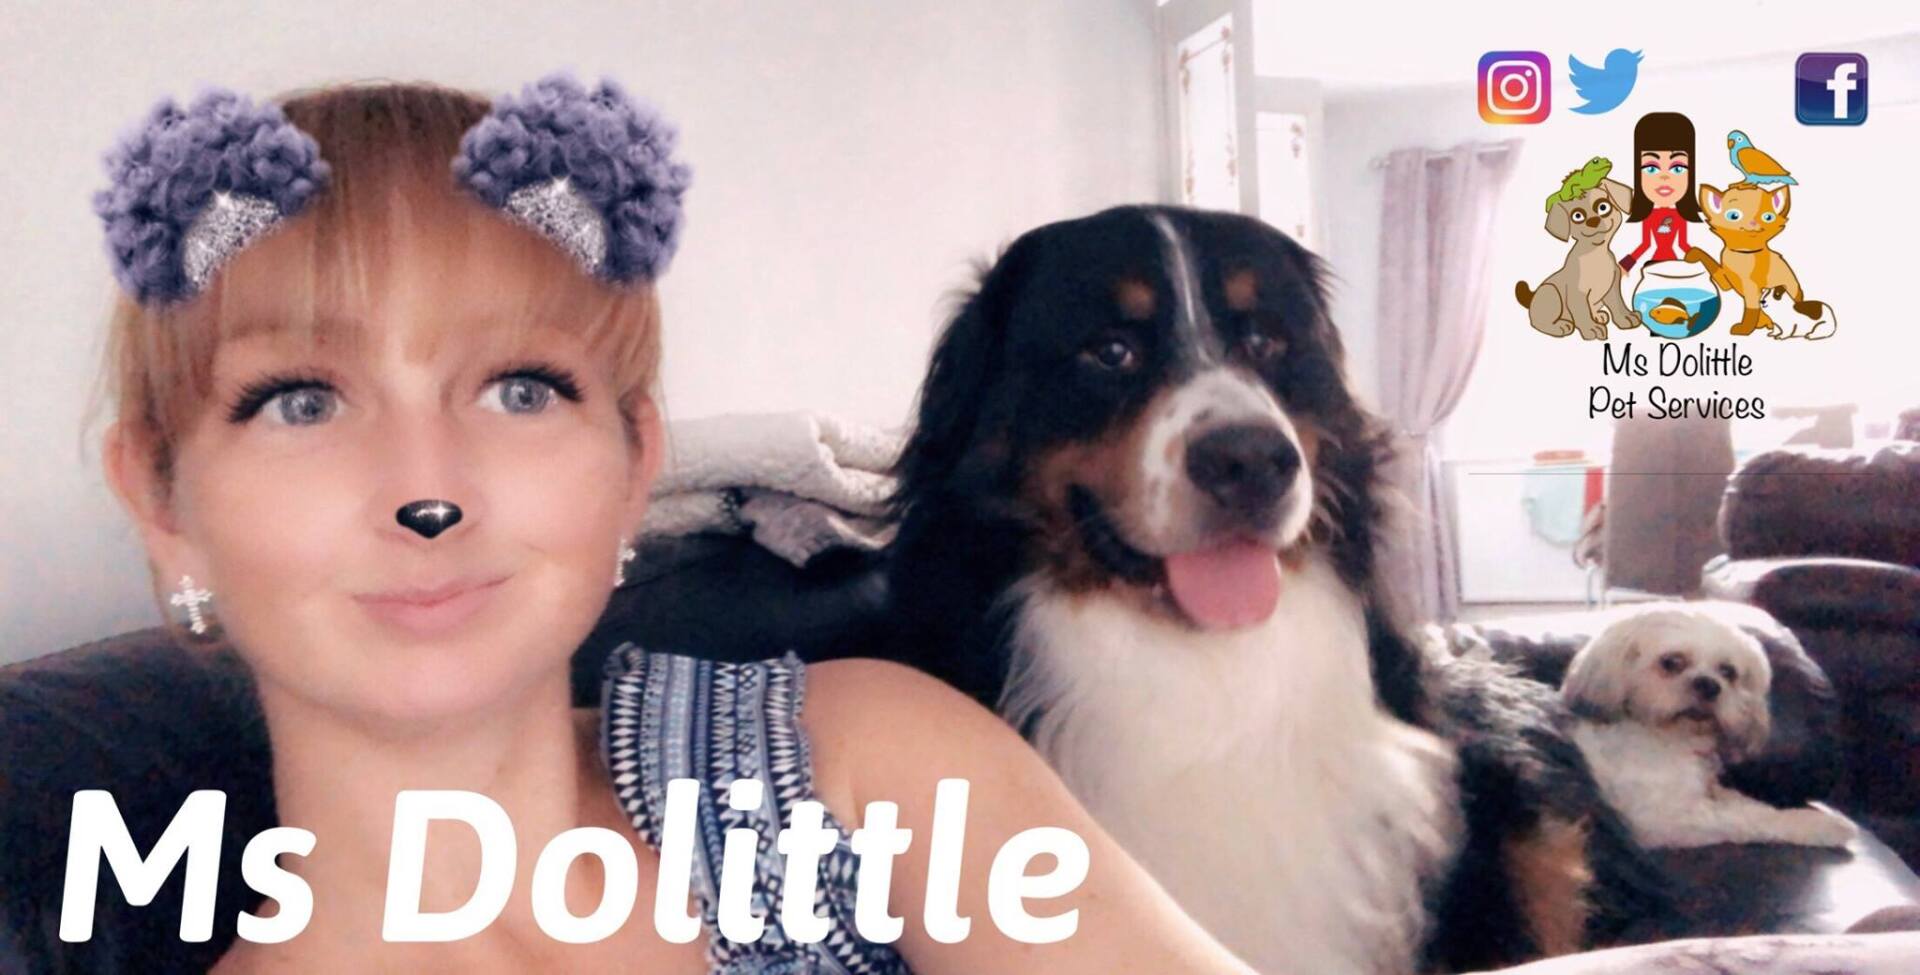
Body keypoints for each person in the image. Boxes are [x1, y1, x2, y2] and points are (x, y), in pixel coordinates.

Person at [87, 74, 1256, 974]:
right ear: (159, 498)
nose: (426, 492)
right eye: (300, 401)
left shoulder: (857, 767)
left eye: (521, 390)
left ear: (634, 462)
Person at [1618, 111, 1703, 274]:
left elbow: (1683, 245)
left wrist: (1702, 262)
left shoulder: (1680, 216)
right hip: (1654, 263)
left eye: (1678, 168)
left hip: (1673, 261)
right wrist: (1625, 265)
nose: (1664, 177)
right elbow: (1645, 245)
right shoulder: (1649, 216)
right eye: (1651, 168)